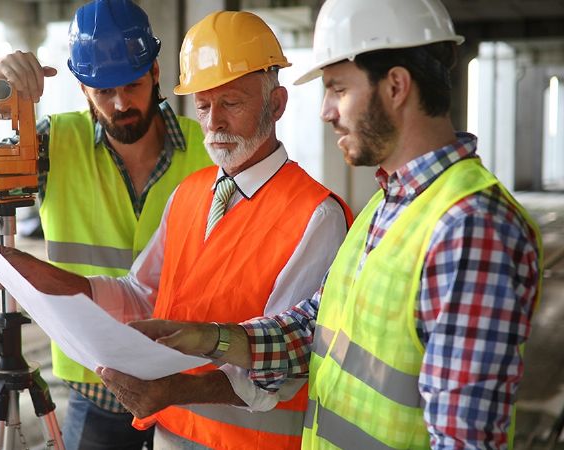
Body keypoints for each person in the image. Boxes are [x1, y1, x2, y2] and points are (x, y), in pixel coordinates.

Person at [126, 0, 544, 448]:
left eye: (337, 89)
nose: (326, 111)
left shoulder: (470, 227)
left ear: (396, 86)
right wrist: (207, 338)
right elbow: (311, 330)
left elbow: (465, 439)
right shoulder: (386, 204)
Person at [0, 10, 351, 450]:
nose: (214, 122)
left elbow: (287, 363)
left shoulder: (315, 215)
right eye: (204, 105)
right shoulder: (190, 193)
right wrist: (27, 270)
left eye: (232, 103)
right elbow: (140, 296)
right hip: (170, 436)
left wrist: (175, 389)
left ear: (278, 104)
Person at [0, 0, 214, 448]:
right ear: (82, 88)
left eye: (133, 85)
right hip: (95, 384)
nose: (121, 103)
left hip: (187, 382)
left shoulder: (209, 149)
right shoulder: (54, 142)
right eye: (104, 91)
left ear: (155, 73)